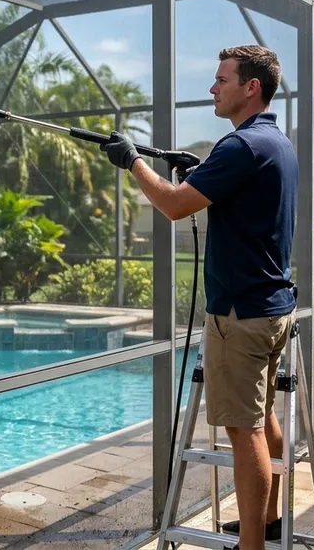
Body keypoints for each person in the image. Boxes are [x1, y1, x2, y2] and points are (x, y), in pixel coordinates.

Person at [99, 45, 298, 550]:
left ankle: (252, 545)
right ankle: (269, 521)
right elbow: (233, 196)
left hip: (240, 315)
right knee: (263, 418)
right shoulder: (276, 143)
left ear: (251, 87)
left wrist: (133, 162)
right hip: (273, 308)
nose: (212, 88)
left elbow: (173, 206)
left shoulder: (241, 146)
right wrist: (199, 171)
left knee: (244, 432)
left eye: (221, 80)